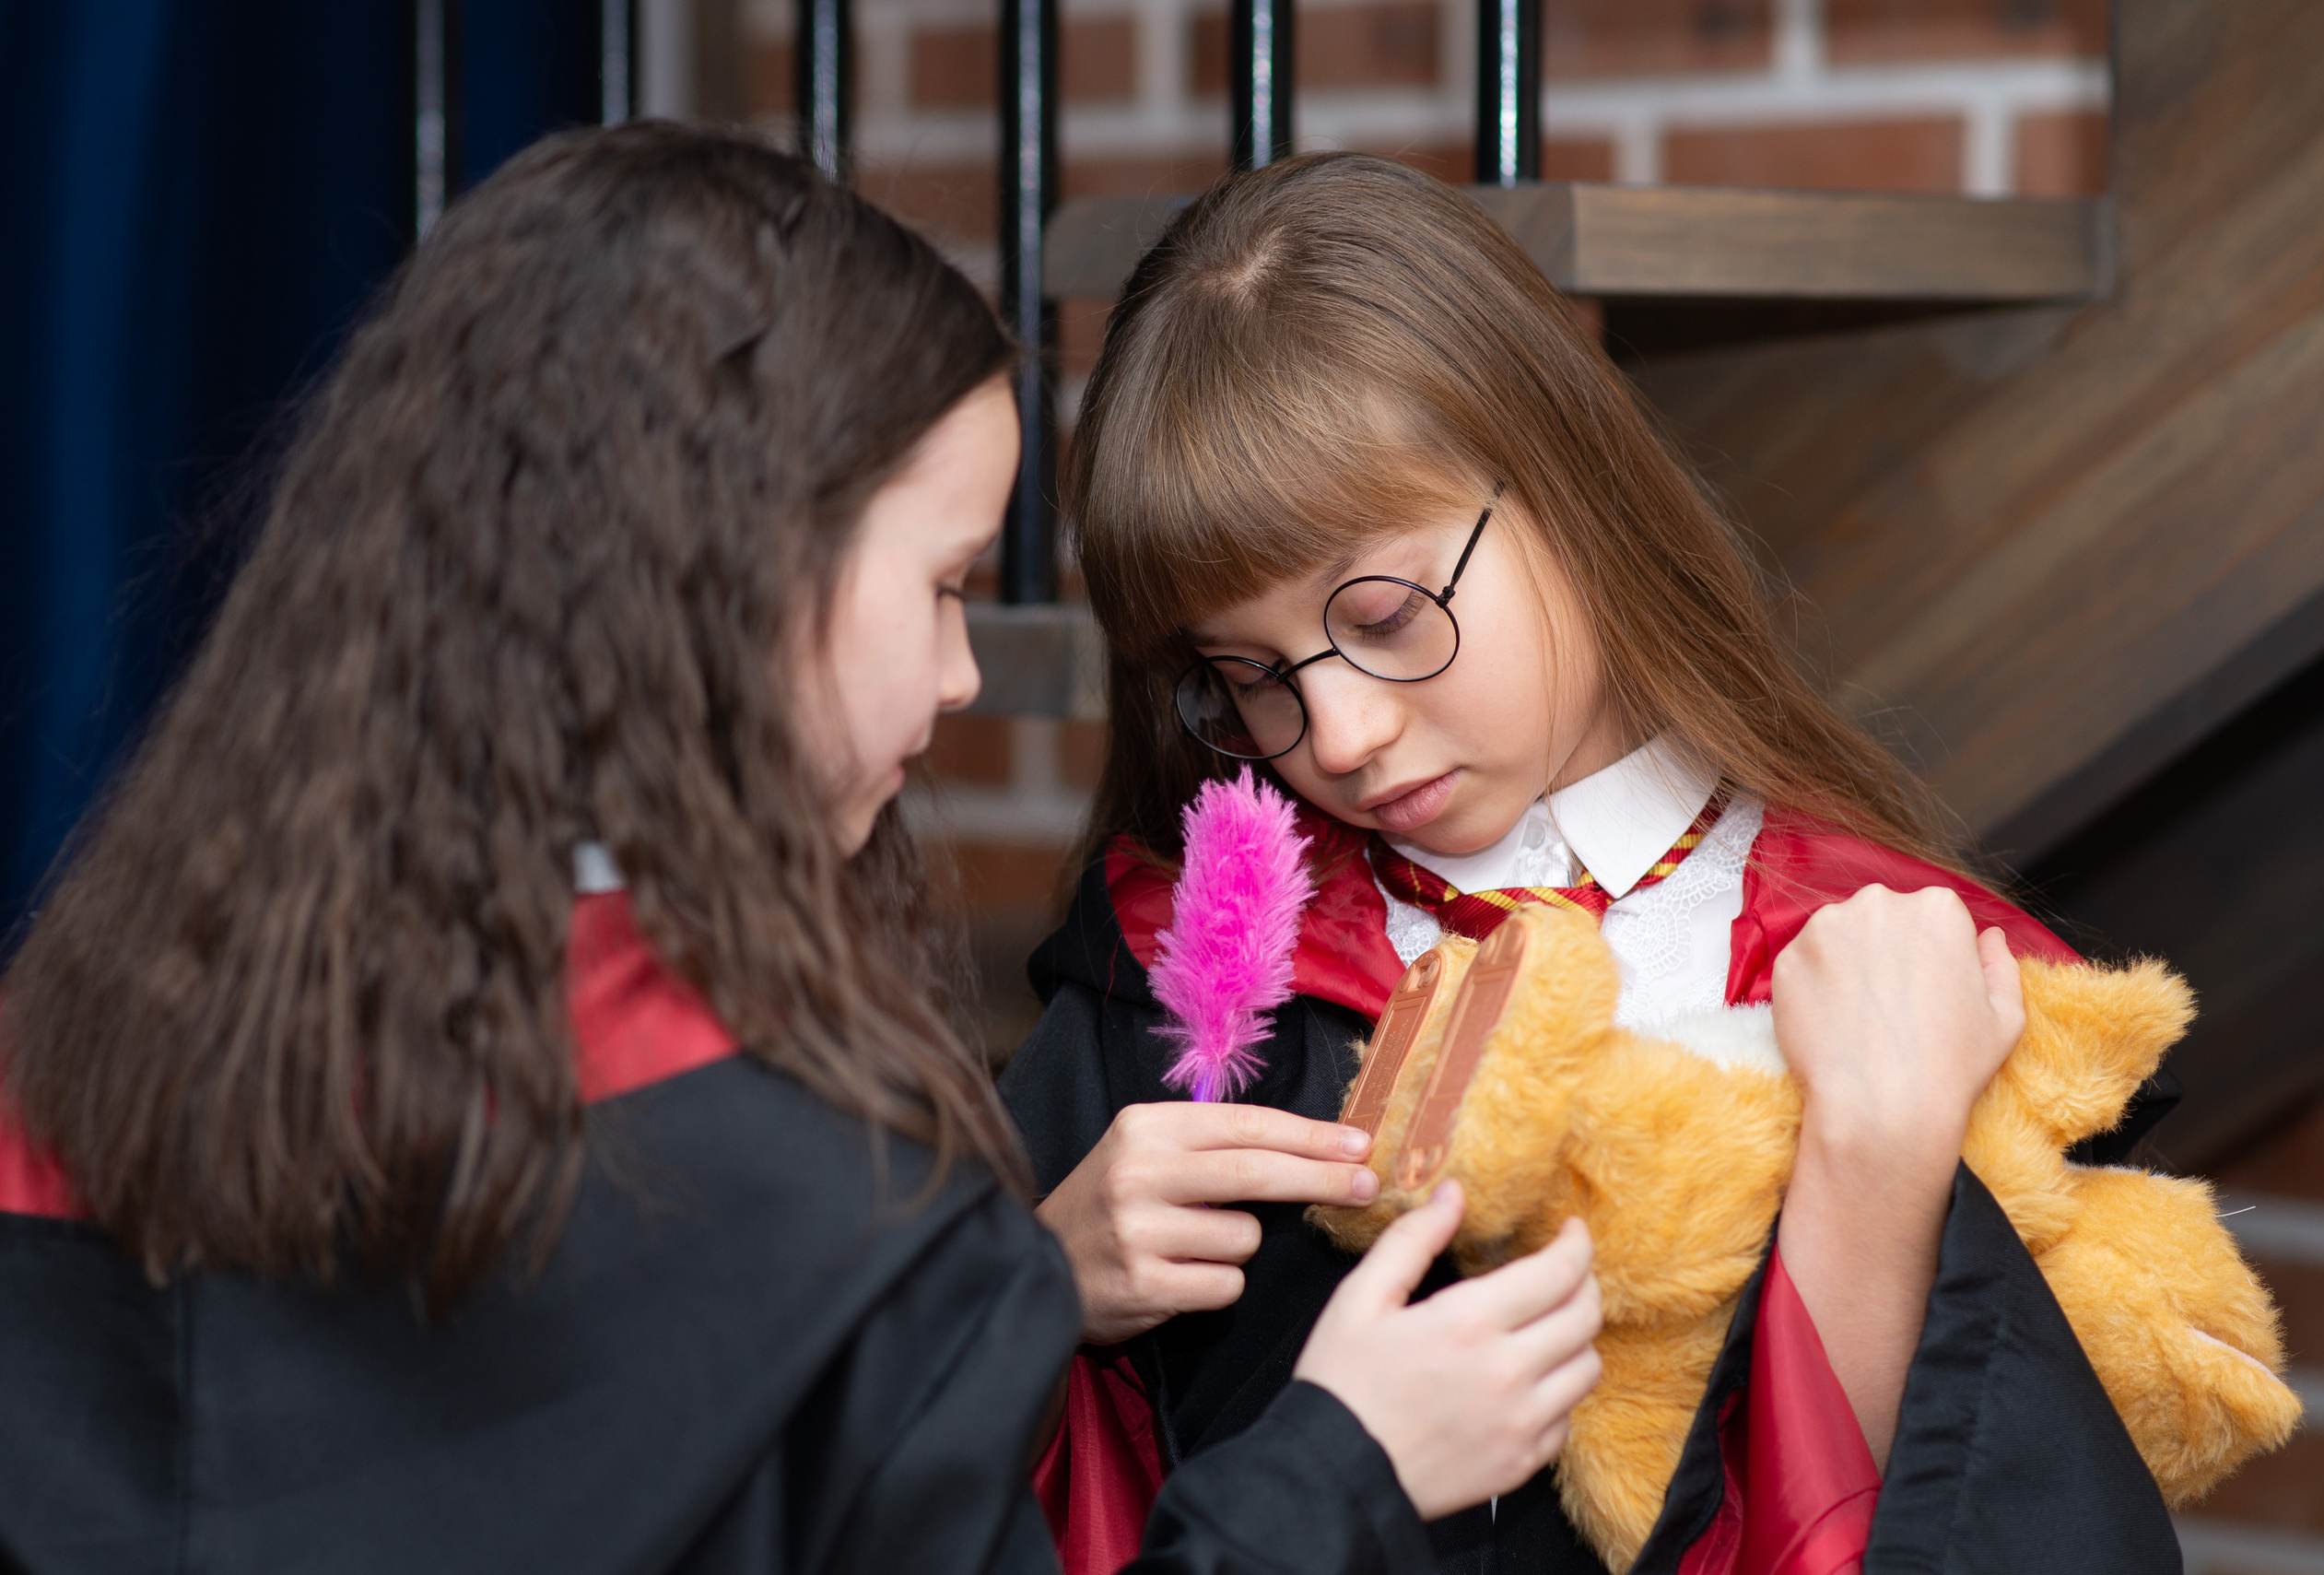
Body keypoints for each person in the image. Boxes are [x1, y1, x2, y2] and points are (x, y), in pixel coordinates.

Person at [0, 126, 1612, 1575]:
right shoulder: (819, 1196)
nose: (969, 672)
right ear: (735, 579)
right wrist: (1342, 1468)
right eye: (941, 584)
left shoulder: (88, 1046)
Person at [1002, 152, 2184, 1573]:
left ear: (1564, 478)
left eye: (1386, 613)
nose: (1339, 731)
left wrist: (1878, 1168)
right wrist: (1029, 1291)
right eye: (1247, 674)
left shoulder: (1889, 969)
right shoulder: (1184, 986)